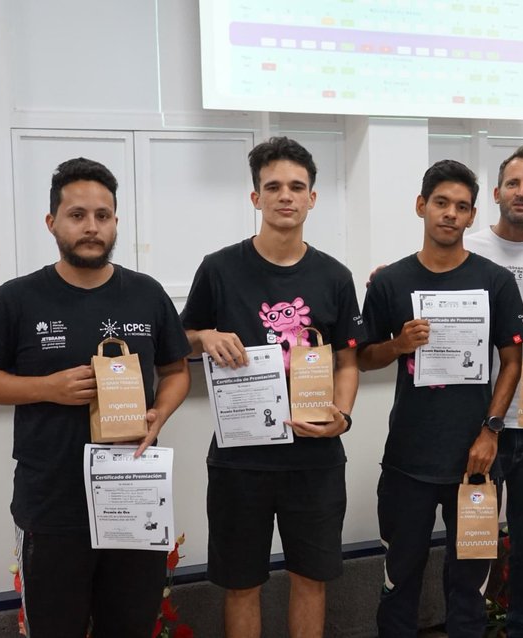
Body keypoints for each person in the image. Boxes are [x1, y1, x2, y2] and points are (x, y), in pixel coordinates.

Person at [0, 157, 191, 638]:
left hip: (132, 492)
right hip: (53, 502)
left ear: (115, 223)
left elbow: (175, 371)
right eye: (77, 215)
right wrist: (48, 388)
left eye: (103, 216)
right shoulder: (19, 298)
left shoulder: (147, 294)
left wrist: (159, 414)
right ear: (52, 223)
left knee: (130, 627)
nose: (92, 227)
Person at [180, 137, 364, 638]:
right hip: (241, 456)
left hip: (315, 457)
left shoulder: (334, 276)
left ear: (312, 198)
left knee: (311, 577)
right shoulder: (219, 269)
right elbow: (179, 341)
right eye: (273, 186)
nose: (286, 195)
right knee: (241, 583)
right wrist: (205, 336)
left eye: (297, 186)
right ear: (255, 197)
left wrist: (341, 417)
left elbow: (348, 359)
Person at [358, 159, 523, 638]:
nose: (450, 214)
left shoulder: (495, 280)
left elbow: (513, 361)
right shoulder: (390, 281)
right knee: (399, 582)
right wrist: (399, 344)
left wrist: (490, 431)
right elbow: (364, 358)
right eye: (441, 203)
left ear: (473, 215)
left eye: (461, 207)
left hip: (474, 460)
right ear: (421, 206)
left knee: (470, 587)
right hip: (407, 462)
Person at [464, 145, 523, 638]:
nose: (522, 192)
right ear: (497, 193)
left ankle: (522, 627)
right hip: (478, 422)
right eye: (514, 184)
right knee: (475, 537)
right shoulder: (470, 247)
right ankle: (470, 625)